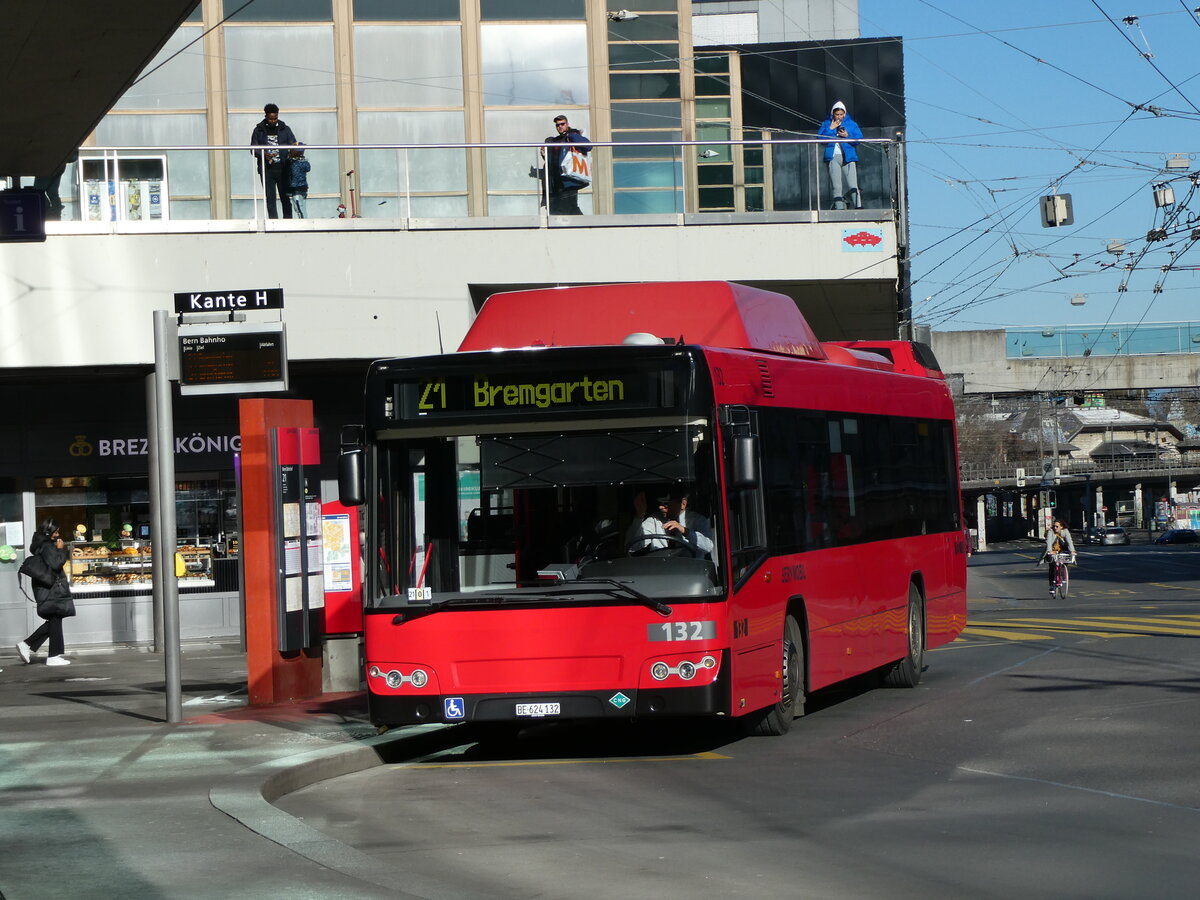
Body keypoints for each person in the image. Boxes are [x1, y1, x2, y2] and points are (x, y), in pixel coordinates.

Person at [15, 519, 73, 666]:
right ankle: (52, 656)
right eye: (56, 532)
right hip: (52, 589)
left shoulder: (43, 545)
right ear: (49, 533)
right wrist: (61, 549)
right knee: (55, 619)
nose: (58, 535)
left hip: (49, 588)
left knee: (55, 620)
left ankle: (28, 645)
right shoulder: (47, 546)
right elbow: (56, 563)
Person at [626, 488, 714, 559]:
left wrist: (685, 531)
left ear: (683, 504)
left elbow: (708, 547)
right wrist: (639, 516)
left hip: (690, 571)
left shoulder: (697, 520)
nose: (660, 507)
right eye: (660, 503)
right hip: (662, 571)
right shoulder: (654, 519)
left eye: (666, 504)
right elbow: (633, 547)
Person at [250, 103, 297, 219]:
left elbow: (293, 144)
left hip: (283, 168)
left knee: (285, 197)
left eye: (275, 118)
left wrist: (293, 152)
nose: (273, 121)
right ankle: (273, 222)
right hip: (267, 169)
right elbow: (253, 149)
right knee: (270, 199)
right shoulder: (258, 130)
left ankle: (288, 222)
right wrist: (264, 154)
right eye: (270, 118)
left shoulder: (285, 129)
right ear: (266, 116)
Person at [540, 115, 591, 215]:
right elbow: (552, 160)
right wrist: (543, 152)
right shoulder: (554, 141)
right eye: (557, 125)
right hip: (556, 181)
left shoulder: (573, 136)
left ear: (567, 124)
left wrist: (571, 134)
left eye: (562, 124)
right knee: (567, 207)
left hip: (568, 179)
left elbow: (588, 146)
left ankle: (584, 226)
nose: (560, 126)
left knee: (563, 208)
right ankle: (585, 225)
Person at [817, 100, 863, 210]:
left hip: (848, 157)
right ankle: (839, 207)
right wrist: (831, 128)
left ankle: (858, 206)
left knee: (853, 184)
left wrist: (847, 135)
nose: (839, 117)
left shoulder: (852, 124)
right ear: (833, 114)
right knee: (837, 185)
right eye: (837, 114)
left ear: (845, 114)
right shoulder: (826, 124)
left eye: (841, 115)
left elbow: (859, 139)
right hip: (833, 157)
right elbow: (820, 139)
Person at [1043, 519, 1076, 595]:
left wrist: (1072, 551)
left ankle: (1064, 575)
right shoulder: (1051, 531)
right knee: (1052, 567)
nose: (1055, 528)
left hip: (1062, 549)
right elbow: (1048, 541)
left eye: (1057, 526)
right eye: (1054, 526)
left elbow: (1069, 541)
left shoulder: (1065, 531)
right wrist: (1049, 551)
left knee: (1066, 560)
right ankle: (1051, 585)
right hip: (1053, 550)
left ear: (1061, 527)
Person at [287, 143, 311, 218]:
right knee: (301, 207)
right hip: (303, 188)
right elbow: (307, 168)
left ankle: (304, 223)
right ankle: (304, 220)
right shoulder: (303, 162)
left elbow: (292, 174)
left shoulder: (293, 163)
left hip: (296, 189)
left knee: (299, 208)